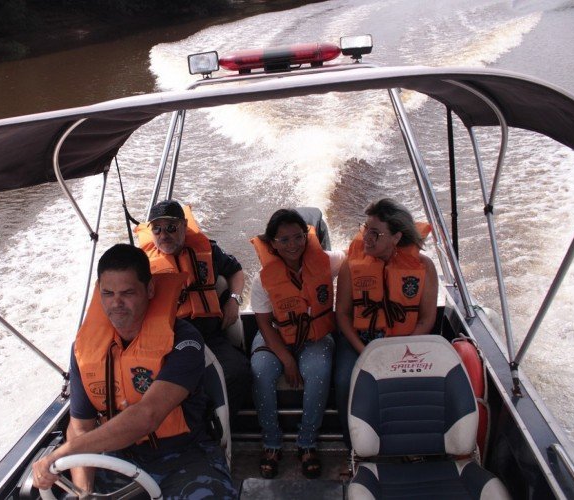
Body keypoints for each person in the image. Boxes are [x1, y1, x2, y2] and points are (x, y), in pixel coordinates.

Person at [32, 244, 236, 499]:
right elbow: (81, 427)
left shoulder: (185, 341)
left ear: (149, 289)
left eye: (127, 292)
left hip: (186, 457)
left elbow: (147, 415)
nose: (116, 303)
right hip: (119, 458)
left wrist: (64, 452)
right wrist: (84, 492)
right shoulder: (83, 351)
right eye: (107, 293)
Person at [333, 198, 438, 447]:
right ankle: (354, 447)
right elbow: (343, 315)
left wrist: (398, 352)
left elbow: (426, 319)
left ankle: (405, 445)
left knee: (413, 386)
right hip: (359, 341)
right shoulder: (352, 264)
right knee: (345, 382)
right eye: (365, 229)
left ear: (396, 237)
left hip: (405, 343)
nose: (366, 238)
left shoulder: (423, 267)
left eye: (375, 233)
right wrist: (364, 350)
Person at [135, 200, 251, 423]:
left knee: (239, 373)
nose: (164, 234)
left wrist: (234, 301)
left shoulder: (208, 250)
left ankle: (216, 426)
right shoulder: (141, 265)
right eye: (157, 228)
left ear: (183, 225)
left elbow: (236, 272)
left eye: (171, 227)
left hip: (209, 336)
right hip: (170, 342)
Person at [249, 209, 344, 479]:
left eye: (298, 237)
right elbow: (264, 324)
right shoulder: (262, 279)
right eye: (284, 240)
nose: (293, 245)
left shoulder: (325, 261)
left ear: (307, 236)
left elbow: (355, 260)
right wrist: (287, 359)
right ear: (272, 244)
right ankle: (271, 441)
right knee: (261, 370)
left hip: (315, 337)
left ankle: (307, 441)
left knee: (319, 371)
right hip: (276, 335)